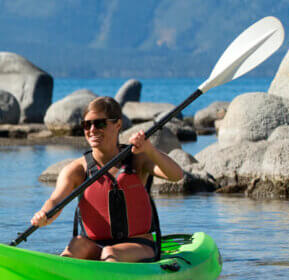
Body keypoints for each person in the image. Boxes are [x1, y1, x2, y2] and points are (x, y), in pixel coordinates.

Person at [30, 96, 183, 263]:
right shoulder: (76, 169)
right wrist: (44, 214)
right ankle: (59, 273)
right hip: (95, 245)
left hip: (139, 245)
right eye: (87, 125)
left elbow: (176, 175)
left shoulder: (137, 159)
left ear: (117, 125)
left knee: (110, 253)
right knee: (77, 245)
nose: (92, 130)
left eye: (100, 123)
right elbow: (55, 201)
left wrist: (150, 149)